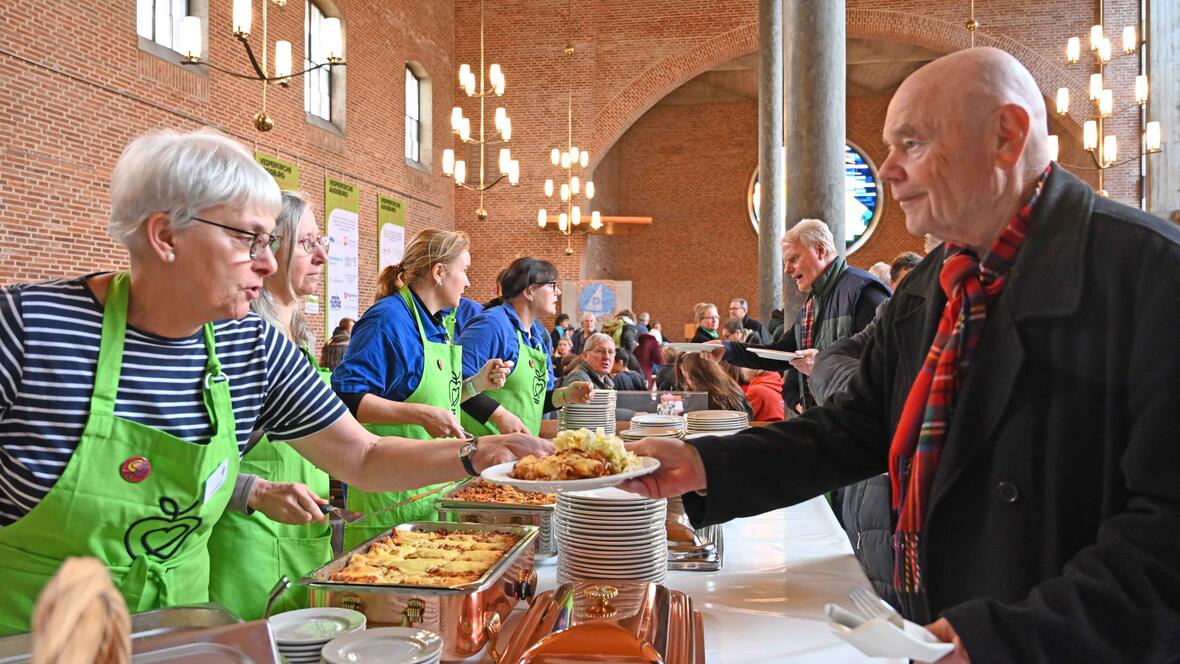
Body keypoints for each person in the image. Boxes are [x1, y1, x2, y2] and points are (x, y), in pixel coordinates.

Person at [624, 47, 1180, 662]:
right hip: (942, 623)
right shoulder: (932, 285)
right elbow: (852, 429)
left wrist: (1012, 636)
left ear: (1006, 136)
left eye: (911, 144)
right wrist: (704, 464)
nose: (887, 169)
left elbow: (1166, 531)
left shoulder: (1151, 276)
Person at [0, 129, 550, 634]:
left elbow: (363, 457)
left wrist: (479, 450)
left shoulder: (252, 350)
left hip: (184, 637)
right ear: (165, 235)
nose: (267, 265)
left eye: (271, 243)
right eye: (249, 241)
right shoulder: (25, 332)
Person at [331, 229, 518, 549]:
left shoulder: (436, 325)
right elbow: (347, 399)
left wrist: (476, 384)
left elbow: (435, 399)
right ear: (439, 272)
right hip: (391, 496)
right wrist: (417, 414)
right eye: (464, 270)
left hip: (432, 492)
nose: (468, 282)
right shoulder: (387, 319)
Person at [207, 191, 334, 618]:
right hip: (247, 545)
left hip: (301, 532)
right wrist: (253, 491)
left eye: (322, 243)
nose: (321, 257)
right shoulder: (241, 337)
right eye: (307, 243)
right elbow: (199, 460)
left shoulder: (297, 334)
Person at [717, 220, 890, 412]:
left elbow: (884, 365)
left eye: (793, 259)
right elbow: (780, 353)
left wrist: (822, 363)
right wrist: (727, 350)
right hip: (826, 419)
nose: (787, 269)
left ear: (820, 250)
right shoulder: (812, 303)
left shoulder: (863, 291)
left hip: (856, 420)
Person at [458, 258, 593, 437]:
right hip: (483, 450)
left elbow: (533, 400)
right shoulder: (491, 325)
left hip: (519, 450)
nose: (558, 292)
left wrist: (566, 395)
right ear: (529, 292)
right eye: (552, 285)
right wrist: (498, 415)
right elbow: (456, 383)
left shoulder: (537, 337)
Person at [675, 353, 752, 418]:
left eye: (687, 377)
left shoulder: (701, 397)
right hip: (742, 432)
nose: (687, 382)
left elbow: (687, 422)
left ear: (695, 377)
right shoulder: (733, 387)